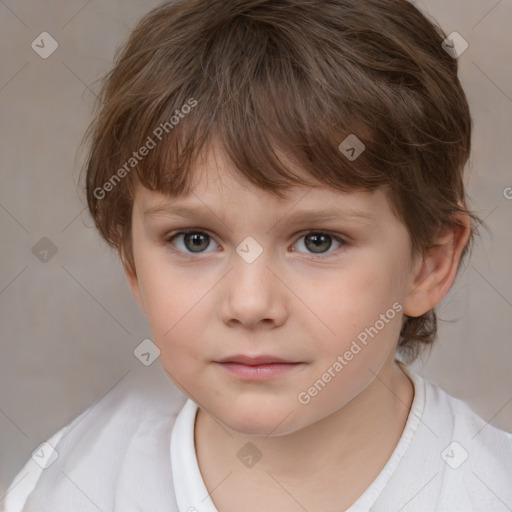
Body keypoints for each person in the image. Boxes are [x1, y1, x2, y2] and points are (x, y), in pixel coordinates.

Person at [3, 0, 512, 511]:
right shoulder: (65, 489)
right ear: (132, 263)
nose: (249, 304)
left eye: (318, 241)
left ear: (428, 262)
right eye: (194, 240)